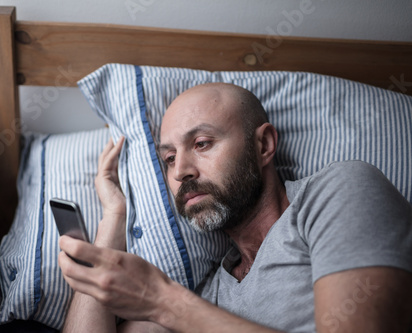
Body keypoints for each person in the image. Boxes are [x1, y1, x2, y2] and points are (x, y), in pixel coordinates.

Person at [58, 83, 412, 332]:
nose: (180, 171)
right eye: (168, 158)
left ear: (264, 146)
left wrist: (162, 300)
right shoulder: (210, 294)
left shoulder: (338, 190)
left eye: (202, 143)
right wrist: (113, 218)